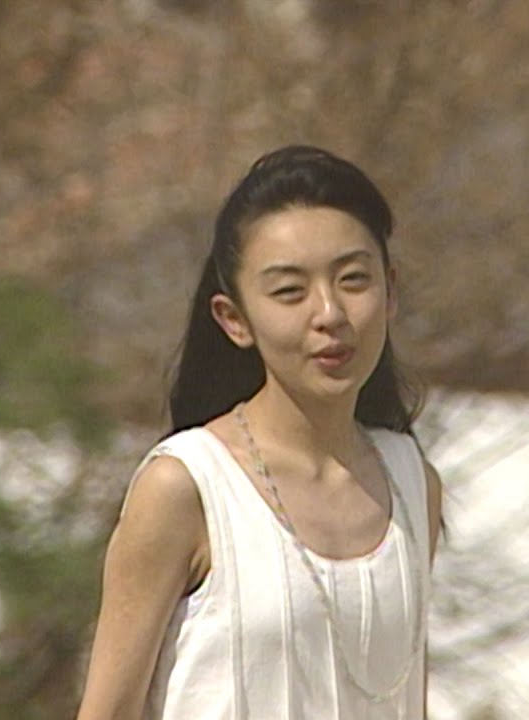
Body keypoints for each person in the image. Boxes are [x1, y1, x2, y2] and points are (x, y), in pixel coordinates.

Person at [76, 145, 444, 720]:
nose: (330, 313)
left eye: (353, 279)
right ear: (234, 319)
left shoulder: (411, 481)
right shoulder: (186, 487)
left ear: (390, 290)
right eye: (290, 291)